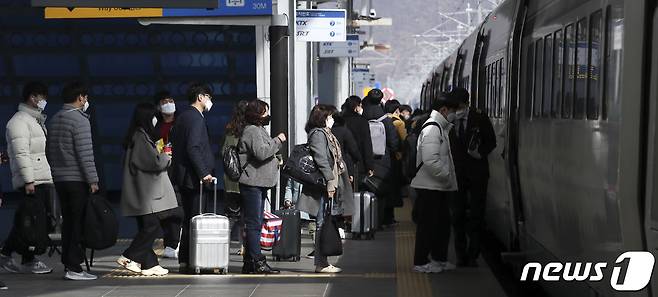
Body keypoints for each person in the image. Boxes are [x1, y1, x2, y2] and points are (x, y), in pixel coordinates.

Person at [117, 103, 178, 276]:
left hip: (143, 190)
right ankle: (129, 256)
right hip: (145, 193)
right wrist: (166, 156)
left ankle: (149, 264)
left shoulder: (137, 135)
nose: (156, 120)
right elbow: (153, 163)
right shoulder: (141, 137)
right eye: (154, 117)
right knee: (151, 227)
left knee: (147, 226)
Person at [0, 82, 54, 276]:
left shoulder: (33, 120)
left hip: (40, 177)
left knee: (28, 219)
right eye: (42, 98)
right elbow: (21, 153)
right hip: (33, 180)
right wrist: (29, 180)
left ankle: (9, 254)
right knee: (31, 220)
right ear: (33, 97)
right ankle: (26, 258)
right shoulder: (19, 122)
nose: (44, 102)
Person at [47, 82, 100, 280]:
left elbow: (50, 152)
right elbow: (85, 154)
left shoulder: (55, 119)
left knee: (68, 222)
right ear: (80, 97)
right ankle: (74, 267)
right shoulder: (80, 120)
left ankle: (69, 264)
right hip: (77, 180)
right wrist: (93, 180)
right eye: (85, 97)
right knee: (78, 223)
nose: (86, 101)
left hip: (60, 180)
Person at [297, 104, 353, 273]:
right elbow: (321, 158)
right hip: (323, 184)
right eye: (329, 116)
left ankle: (322, 261)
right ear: (322, 118)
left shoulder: (325, 133)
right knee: (322, 222)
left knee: (325, 220)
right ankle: (321, 263)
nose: (332, 119)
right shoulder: (318, 134)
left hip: (330, 182)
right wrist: (330, 180)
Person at [411, 94, 461, 274]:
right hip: (430, 186)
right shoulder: (432, 128)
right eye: (453, 111)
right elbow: (431, 159)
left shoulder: (441, 127)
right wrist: (447, 176)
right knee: (428, 226)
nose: (455, 114)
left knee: (442, 224)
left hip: (437, 186)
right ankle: (421, 261)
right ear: (444, 110)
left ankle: (439, 259)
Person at [169, 82, 216, 272]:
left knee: (189, 219)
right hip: (195, 178)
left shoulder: (182, 117)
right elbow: (193, 147)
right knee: (197, 219)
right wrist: (204, 173)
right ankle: (196, 260)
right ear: (201, 97)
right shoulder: (196, 118)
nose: (210, 101)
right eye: (209, 97)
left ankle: (185, 260)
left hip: (183, 176)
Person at [448, 87, 496, 267]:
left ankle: (473, 254)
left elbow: (492, 141)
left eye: (459, 106)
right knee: (457, 214)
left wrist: (480, 152)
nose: (456, 110)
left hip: (478, 173)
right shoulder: (448, 120)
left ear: (467, 104)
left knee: (477, 215)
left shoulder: (480, 118)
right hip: (456, 174)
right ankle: (461, 254)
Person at [237, 99, 285, 274]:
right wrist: (278, 140)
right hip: (252, 183)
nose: (267, 116)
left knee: (255, 223)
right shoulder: (251, 131)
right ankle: (257, 261)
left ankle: (250, 262)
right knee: (254, 224)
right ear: (257, 115)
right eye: (264, 112)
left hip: (259, 182)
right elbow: (261, 153)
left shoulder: (258, 130)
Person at [362, 89, 400, 228]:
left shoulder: (362, 117)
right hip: (383, 159)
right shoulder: (385, 119)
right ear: (380, 100)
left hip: (365, 159)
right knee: (382, 191)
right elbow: (393, 141)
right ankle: (380, 221)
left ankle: (365, 221)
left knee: (365, 189)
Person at [153, 91, 183, 260]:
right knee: (163, 210)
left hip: (175, 171)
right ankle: (169, 242)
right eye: (165, 102)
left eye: (171, 101)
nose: (169, 104)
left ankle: (174, 242)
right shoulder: (155, 125)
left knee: (177, 208)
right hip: (159, 171)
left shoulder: (180, 123)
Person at [221, 100, 248, 252]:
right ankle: (243, 246)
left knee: (231, 216)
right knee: (247, 216)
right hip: (247, 179)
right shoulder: (250, 130)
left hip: (231, 181)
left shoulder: (230, 129)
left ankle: (222, 245)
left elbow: (224, 153)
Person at [340, 96, 374, 179]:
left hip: (341, 160)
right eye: (360, 106)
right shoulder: (362, 121)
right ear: (356, 107)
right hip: (358, 162)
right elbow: (367, 144)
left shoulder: (340, 121)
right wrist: (369, 166)